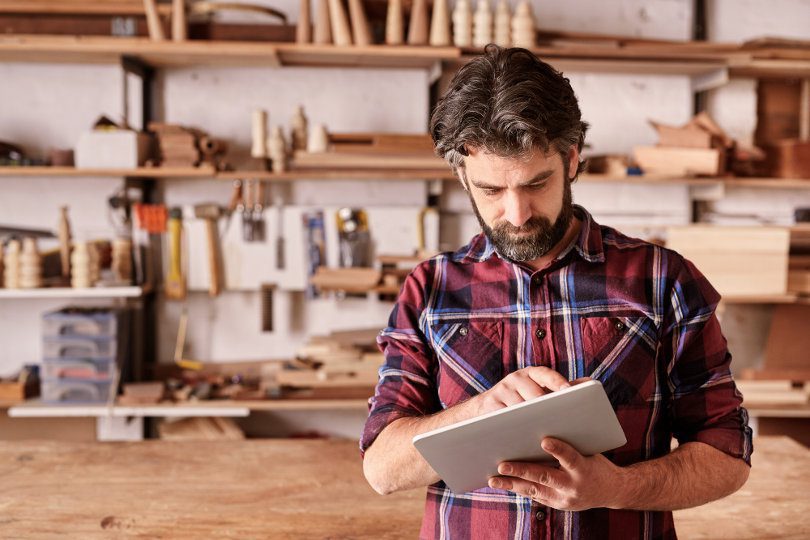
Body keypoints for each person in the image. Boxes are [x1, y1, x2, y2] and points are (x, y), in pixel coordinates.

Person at [360, 45, 752, 540]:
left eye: (536, 183)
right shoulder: (431, 289)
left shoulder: (663, 280)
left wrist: (617, 488)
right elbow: (381, 469)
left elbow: (727, 455)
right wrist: (479, 411)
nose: (518, 214)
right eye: (491, 191)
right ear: (462, 175)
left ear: (571, 159)